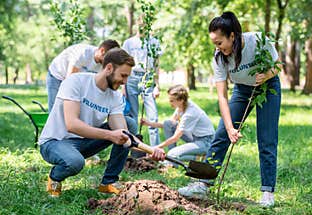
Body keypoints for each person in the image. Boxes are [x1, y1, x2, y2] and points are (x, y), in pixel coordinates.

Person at [178, 11, 281, 207]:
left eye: (219, 42)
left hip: (268, 88)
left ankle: (267, 192)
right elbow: (222, 96)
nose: (217, 48)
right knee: (220, 135)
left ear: (232, 36)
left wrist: (267, 75)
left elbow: (278, 65)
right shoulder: (219, 58)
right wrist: (230, 128)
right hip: (242, 90)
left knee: (267, 138)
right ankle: (203, 183)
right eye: (214, 44)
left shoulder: (258, 41)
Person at [39, 48, 166, 197]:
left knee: (129, 124)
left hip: (84, 143)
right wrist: (110, 135)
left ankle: (109, 182)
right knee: (75, 162)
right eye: (123, 75)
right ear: (109, 68)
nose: (124, 82)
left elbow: (124, 134)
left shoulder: (115, 96)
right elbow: (72, 124)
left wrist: (151, 150)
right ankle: (55, 178)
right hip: (55, 142)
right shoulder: (77, 81)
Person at [141, 84, 215, 166]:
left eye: (172, 100)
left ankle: (170, 160)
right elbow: (169, 124)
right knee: (168, 123)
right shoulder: (181, 106)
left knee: (172, 153)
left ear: (181, 100)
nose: (170, 103)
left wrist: (156, 147)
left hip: (206, 142)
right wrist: (149, 123)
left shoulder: (190, 113)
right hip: (194, 137)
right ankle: (177, 159)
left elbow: (175, 138)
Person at [122, 16, 162, 156]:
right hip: (132, 77)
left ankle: (155, 151)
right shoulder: (129, 43)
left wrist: (157, 85)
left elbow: (157, 65)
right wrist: (123, 86)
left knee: (153, 117)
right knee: (132, 116)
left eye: (145, 24)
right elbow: (123, 65)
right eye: (139, 23)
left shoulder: (154, 42)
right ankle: (134, 150)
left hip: (148, 77)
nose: (142, 26)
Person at [46, 39, 120, 112]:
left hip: (73, 79)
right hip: (57, 74)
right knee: (56, 108)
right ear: (102, 51)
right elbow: (69, 80)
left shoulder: (104, 65)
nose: (109, 62)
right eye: (109, 58)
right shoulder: (83, 53)